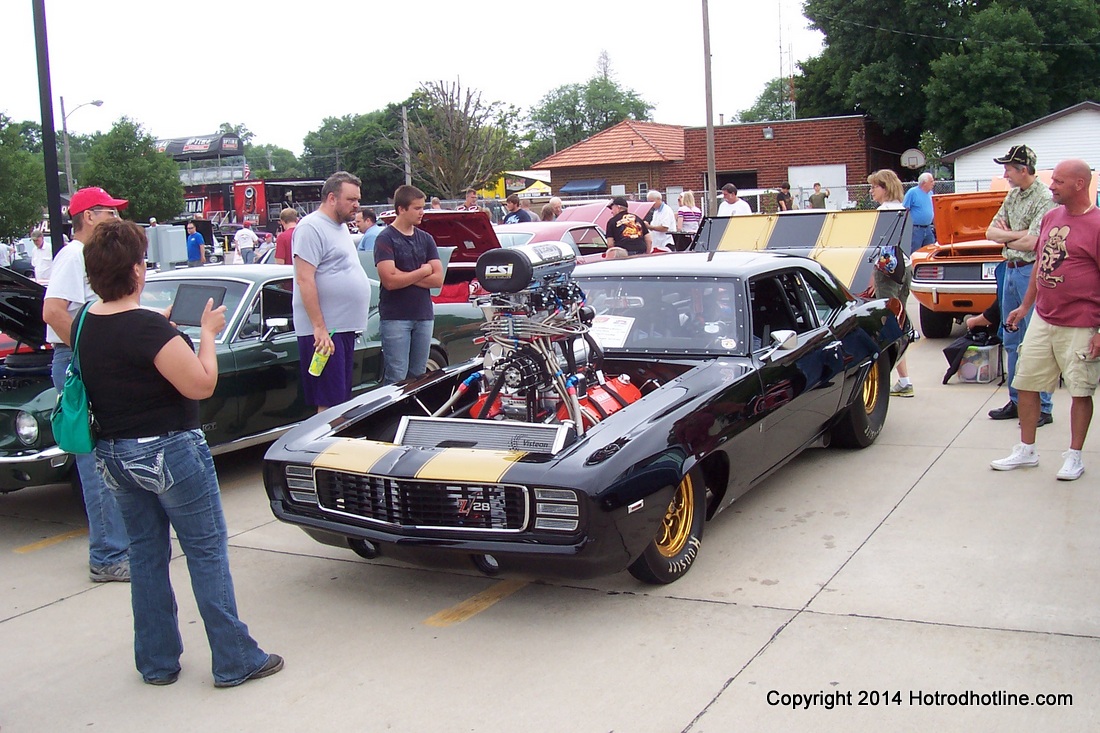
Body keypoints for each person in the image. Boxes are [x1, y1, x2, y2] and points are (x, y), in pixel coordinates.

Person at [79, 218, 283, 688]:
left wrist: (166, 330)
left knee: (147, 554)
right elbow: (202, 382)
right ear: (136, 269)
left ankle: (156, 660)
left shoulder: (88, 322)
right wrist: (208, 334)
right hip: (170, 450)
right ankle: (234, 658)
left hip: (114, 454)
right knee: (205, 551)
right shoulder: (148, 328)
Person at [41, 186, 130, 582]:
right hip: (76, 363)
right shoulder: (74, 254)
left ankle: (118, 545)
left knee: (106, 459)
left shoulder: (86, 255)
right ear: (89, 216)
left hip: (84, 361)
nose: (116, 218)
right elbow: (53, 310)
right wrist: (86, 352)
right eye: (110, 212)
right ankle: (108, 555)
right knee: (93, 462)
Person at [991, 159, 1100, 481]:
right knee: (1026, 382)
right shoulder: (1051, 217)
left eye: (1059, 182)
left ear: (1080, 184)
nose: (1051, 186)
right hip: (1043, 318)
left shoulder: (1096, 225)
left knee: (1080, 390)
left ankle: (1074, 456)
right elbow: (1041, 265)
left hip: (1081, 322)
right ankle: (1027, 449)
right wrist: (1026, 307)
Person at [985, 144, 1057, 425]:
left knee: (1035, 340)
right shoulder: (1013, 195)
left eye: (1008, 168)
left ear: (1023, 169)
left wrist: (1009, 236)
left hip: (1031, 271)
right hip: (1010, 270)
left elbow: (1034, 241)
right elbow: (990, 231)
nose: (1005, 174)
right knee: (1012, 337)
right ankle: (1017, 400)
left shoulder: (1044, 198)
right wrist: (1017, 235)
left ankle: (1044, 406)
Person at [292, 171, 372, 411]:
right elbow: (304, 279)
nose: (357, 206)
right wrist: (319, 327)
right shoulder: (311, 227)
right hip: (325, 332)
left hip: (342, 329)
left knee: (341, 398)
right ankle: (325, 447)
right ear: (331, 198)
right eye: (351, 200)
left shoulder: (340, 227)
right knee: (328, 402)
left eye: (358, 200)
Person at [374, 185, 443, 385]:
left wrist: (403, 275)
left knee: (419, 376)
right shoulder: (385, 238)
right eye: (417, 208)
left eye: (423, 207)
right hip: (396, 317)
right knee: (396, 376)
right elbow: (389, 281)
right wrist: (422, 271)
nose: (422, 212)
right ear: (401, 209)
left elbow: (438, 280)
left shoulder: (426, 239)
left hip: (423, 315)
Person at [867, 169, 914, 398]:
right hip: (906, 268)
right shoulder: (903, 210)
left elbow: (879, 251)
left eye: (874, 187)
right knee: (898, 321)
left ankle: (893, 377)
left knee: (887, 325)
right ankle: (904, 379)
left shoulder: (883, 213)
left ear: (884, 188)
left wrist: (872, 278)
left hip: (888, 272)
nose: (871, 191)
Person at [903, 172, 936, 252]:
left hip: (928, 228)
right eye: (931, 181)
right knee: (915, 251)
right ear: (924, 183)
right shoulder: (913, 192)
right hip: (916, 229)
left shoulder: (930, 194)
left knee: (930, 251)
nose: (933, 183)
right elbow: (905, 209)